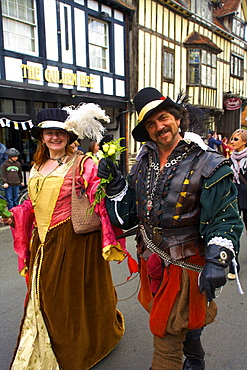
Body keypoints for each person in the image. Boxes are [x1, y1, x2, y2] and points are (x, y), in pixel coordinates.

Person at [97, 87, 243, 370]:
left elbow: (224, 218)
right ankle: (196, 359)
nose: (158, 127)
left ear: (177, 118)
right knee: (180, 322)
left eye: (163, 118)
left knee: (165, 332)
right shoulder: (142, 161)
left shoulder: (209, 162)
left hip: (186, 264)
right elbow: (128, 217)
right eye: (150, 124)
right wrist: (117, 186)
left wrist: (218, 259)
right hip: (150, 260)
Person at [0, 105, 127, 370]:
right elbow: (32, 206)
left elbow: (100, 199)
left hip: (73, 242)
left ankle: (73, 349)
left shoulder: (83, 163)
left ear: (70, 137)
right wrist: (14, 215)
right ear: (41, 137)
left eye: (60, 132)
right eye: (49, 133)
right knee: (42, 295)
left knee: (66, 299)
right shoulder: (35, 166)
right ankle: (40, 344)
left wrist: (108, 180)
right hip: (42, 243)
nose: (54, 137)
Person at [227, 129, 247, 280]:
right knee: (234, 230)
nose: (232, 141)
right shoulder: (230, 159)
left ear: (244, 141)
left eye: (236, 139)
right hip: (234, 197)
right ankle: (234, 265)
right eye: (232, 139)